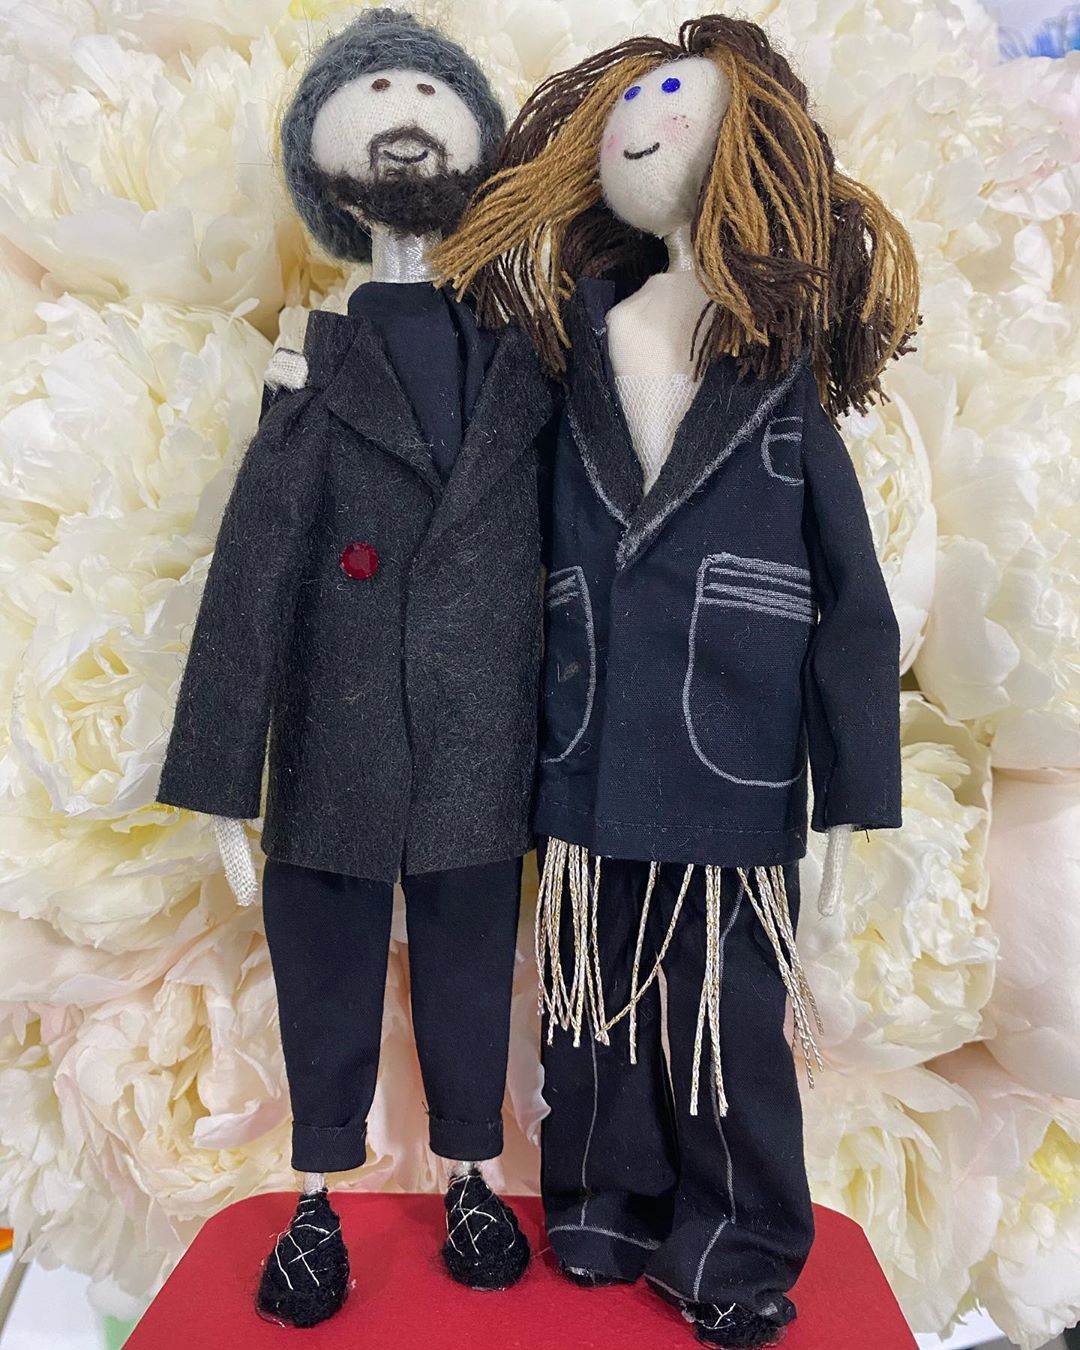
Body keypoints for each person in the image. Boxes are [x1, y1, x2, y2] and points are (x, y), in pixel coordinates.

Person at [435, 15, 918, 1347]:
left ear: (750, 141)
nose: (644, 119)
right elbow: (511, 534)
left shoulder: (777, 368)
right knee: (589, 1003)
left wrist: (857, 786)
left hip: (734, 751)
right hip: (585, 734)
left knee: (725, 1021)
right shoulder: (571, 350)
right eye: (633, 97)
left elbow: (851, 584)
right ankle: (600, 1208)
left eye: (677, 97)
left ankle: (738, 1242)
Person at [157, 8, 553, 1327]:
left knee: (469, 955)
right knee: (321, 954)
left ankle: (472, 1174)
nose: (402, 104)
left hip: (480, 730)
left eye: (427, 89)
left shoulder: (524, 374)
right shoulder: (314, 374)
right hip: (335, 728)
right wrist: (222, 774)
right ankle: (317, 1191)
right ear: (318, 156)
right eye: (371, 86)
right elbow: (254, 565)